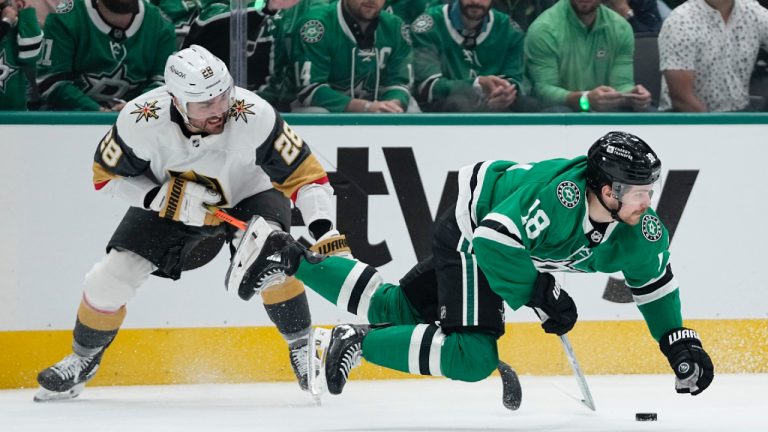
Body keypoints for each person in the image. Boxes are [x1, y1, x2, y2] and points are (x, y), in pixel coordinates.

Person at [231, 131, 714, 400]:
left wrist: (675, 341)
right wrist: (540, 295)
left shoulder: (643, 230)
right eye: (639, 191)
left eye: (650, 189)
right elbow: (493, 240)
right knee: (472, 356)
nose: (648, 201)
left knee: (398, 305)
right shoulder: (561, 197)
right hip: (474, 230)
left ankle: (285, 254)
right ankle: (352, 339)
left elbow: (654, 284)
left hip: (493, 237)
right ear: (608, 190)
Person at [34, 45, 348, 401]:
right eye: (204, 103)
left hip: (249, 194)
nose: (219, 110)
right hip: (169, 203)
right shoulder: (140, 119)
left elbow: (308, 177)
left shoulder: (253, 114)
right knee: (111, 277)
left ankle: (302, 347)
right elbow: (105, 176)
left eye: (222, 96)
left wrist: (323, 229)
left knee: (274, 263)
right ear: (177, 101)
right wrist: (158, 198)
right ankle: (84, 357)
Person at [36, 0, 176, 111]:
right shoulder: (65, 18)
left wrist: (135, 108)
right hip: (71, 125)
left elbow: (164, 84)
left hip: (139, 124)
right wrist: (96, 111)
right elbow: (51, 82)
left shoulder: (161, 25)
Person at [525, 0, 652, 112]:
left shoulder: (621, 28)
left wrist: (633, 96)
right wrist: (584, 99)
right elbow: (543, 91)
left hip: (607, 109)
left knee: (649, 112)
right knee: (557, 111)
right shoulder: (544, 29)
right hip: (564, 111)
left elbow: (622, 83)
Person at [290, 0, 414, 113]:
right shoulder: (316, 25)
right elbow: (309, 90)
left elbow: (399, 82)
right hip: (327, 106)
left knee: (411, 109)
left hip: (376, 104)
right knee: (315, 112)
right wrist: (365, 107)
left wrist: (392, 104)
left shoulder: (395, 26)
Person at [410, 0, 534, 112]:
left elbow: (515, 78)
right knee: (458, 103)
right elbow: (426, 87)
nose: (475, 1)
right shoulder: (429, 25)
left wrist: (504, 92)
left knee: (528, 105)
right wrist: (477, 85)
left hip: (494, 105)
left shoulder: (509, 30)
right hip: (442, 109)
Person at [658, 0, 768, 112]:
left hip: (740, 113)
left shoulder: (753, 11)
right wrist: (715, 128)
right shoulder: (680, 21)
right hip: (686, 118)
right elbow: (681, 99)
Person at [0, 0, 43, 110]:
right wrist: (5, 23)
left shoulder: (18, 25)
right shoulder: (7, 23)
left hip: (16, 112)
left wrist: (27, 12)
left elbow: (31, 55)